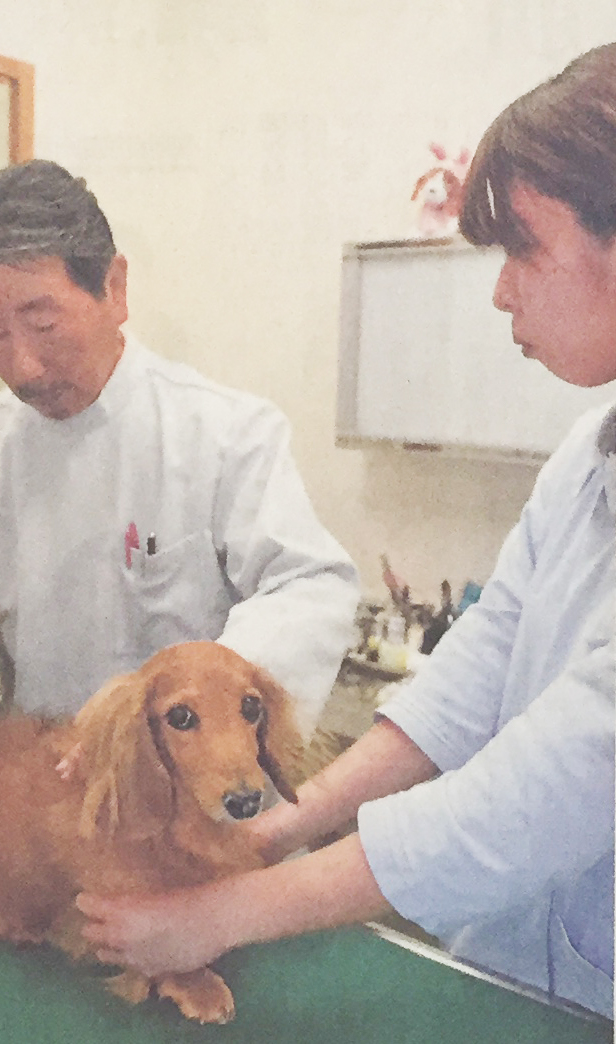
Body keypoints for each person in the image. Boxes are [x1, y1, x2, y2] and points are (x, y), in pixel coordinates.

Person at [75, 45, 616, 1019]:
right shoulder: (586, 459)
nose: (500, 293)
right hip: (509, 967)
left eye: (524, 249)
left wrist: (227, 912)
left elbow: (556, 787)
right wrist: (285, 819)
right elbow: (473, 680)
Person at [0, 159, 359, 736]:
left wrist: (202, 705)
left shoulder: (226, 433)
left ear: (113, 287)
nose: (23, 366)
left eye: (42, 325)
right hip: (46, 777)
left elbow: (310, 586)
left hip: (188, 782)